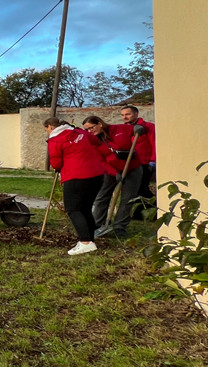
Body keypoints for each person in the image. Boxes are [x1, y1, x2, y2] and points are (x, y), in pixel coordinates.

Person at [45, 118, 117, 255]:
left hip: (76, 176)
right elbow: (96, 141)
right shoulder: (79, 132)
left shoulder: (54, 140)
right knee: (85, 208)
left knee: (73, 209)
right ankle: (89, 239)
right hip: (96, 174)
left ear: (50, 127)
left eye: (47, 129)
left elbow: (56, 163)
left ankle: (85, 242)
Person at [81, 115, 147, 238]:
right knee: (102, 197)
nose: (90, 131)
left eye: (91, 127)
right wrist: (115, 173)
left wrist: (139, 128)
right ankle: (98, 225)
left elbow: (142, 129)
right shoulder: (93, 141)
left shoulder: (120, 129)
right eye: (87, 130)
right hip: (110, 170)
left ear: (100, 123)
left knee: (127, 199)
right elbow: (101, 161)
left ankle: (119, 227)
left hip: (132, 168)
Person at [120, 105, 156, 201]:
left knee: (142, 189)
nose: (125, 117)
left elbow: (155, 143)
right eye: (122, 115)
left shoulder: (148, 127)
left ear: (136, 114)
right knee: (131, 190)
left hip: (144, 163)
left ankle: (154, 209)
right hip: (129, 163)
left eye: (128, 114)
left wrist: (153, 161)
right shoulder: (122, 129)